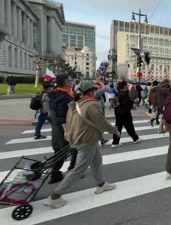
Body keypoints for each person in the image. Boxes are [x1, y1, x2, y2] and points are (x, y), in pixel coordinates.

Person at [43, 81, 120, 209]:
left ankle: (101, 184)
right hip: (86, 139)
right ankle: (55, 196)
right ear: (91, 91)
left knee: (97, 161)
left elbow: (69, 122)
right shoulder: (91, 105)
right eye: (94, 90)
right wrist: (115, 131)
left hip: (84, 138)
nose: (95, 92)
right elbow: (102, 122)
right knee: (78, 169)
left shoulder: (75, 104)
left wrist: (71, 136)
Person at [47, 74, 77, 184]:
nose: (73, 81)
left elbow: (50, 112)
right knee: (75, 148)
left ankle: (55, 174)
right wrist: (66, 131)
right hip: (64, 127)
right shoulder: (64, 97)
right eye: (71, 80)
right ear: (66, 83)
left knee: (59, 151)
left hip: (56, 127)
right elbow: (62, 115)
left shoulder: (55, 95)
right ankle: (73, 171)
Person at [112, 81, 140, 147]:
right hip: (125, 113)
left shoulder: (117, 93)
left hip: (118, 113)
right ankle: (135, 139)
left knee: (118, 127)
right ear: (124, 86)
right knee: (129, 126)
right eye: (127, 85)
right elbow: (126, 103)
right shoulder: (125, 93)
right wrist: (134, 102)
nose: (127, 86)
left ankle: (115, 142)